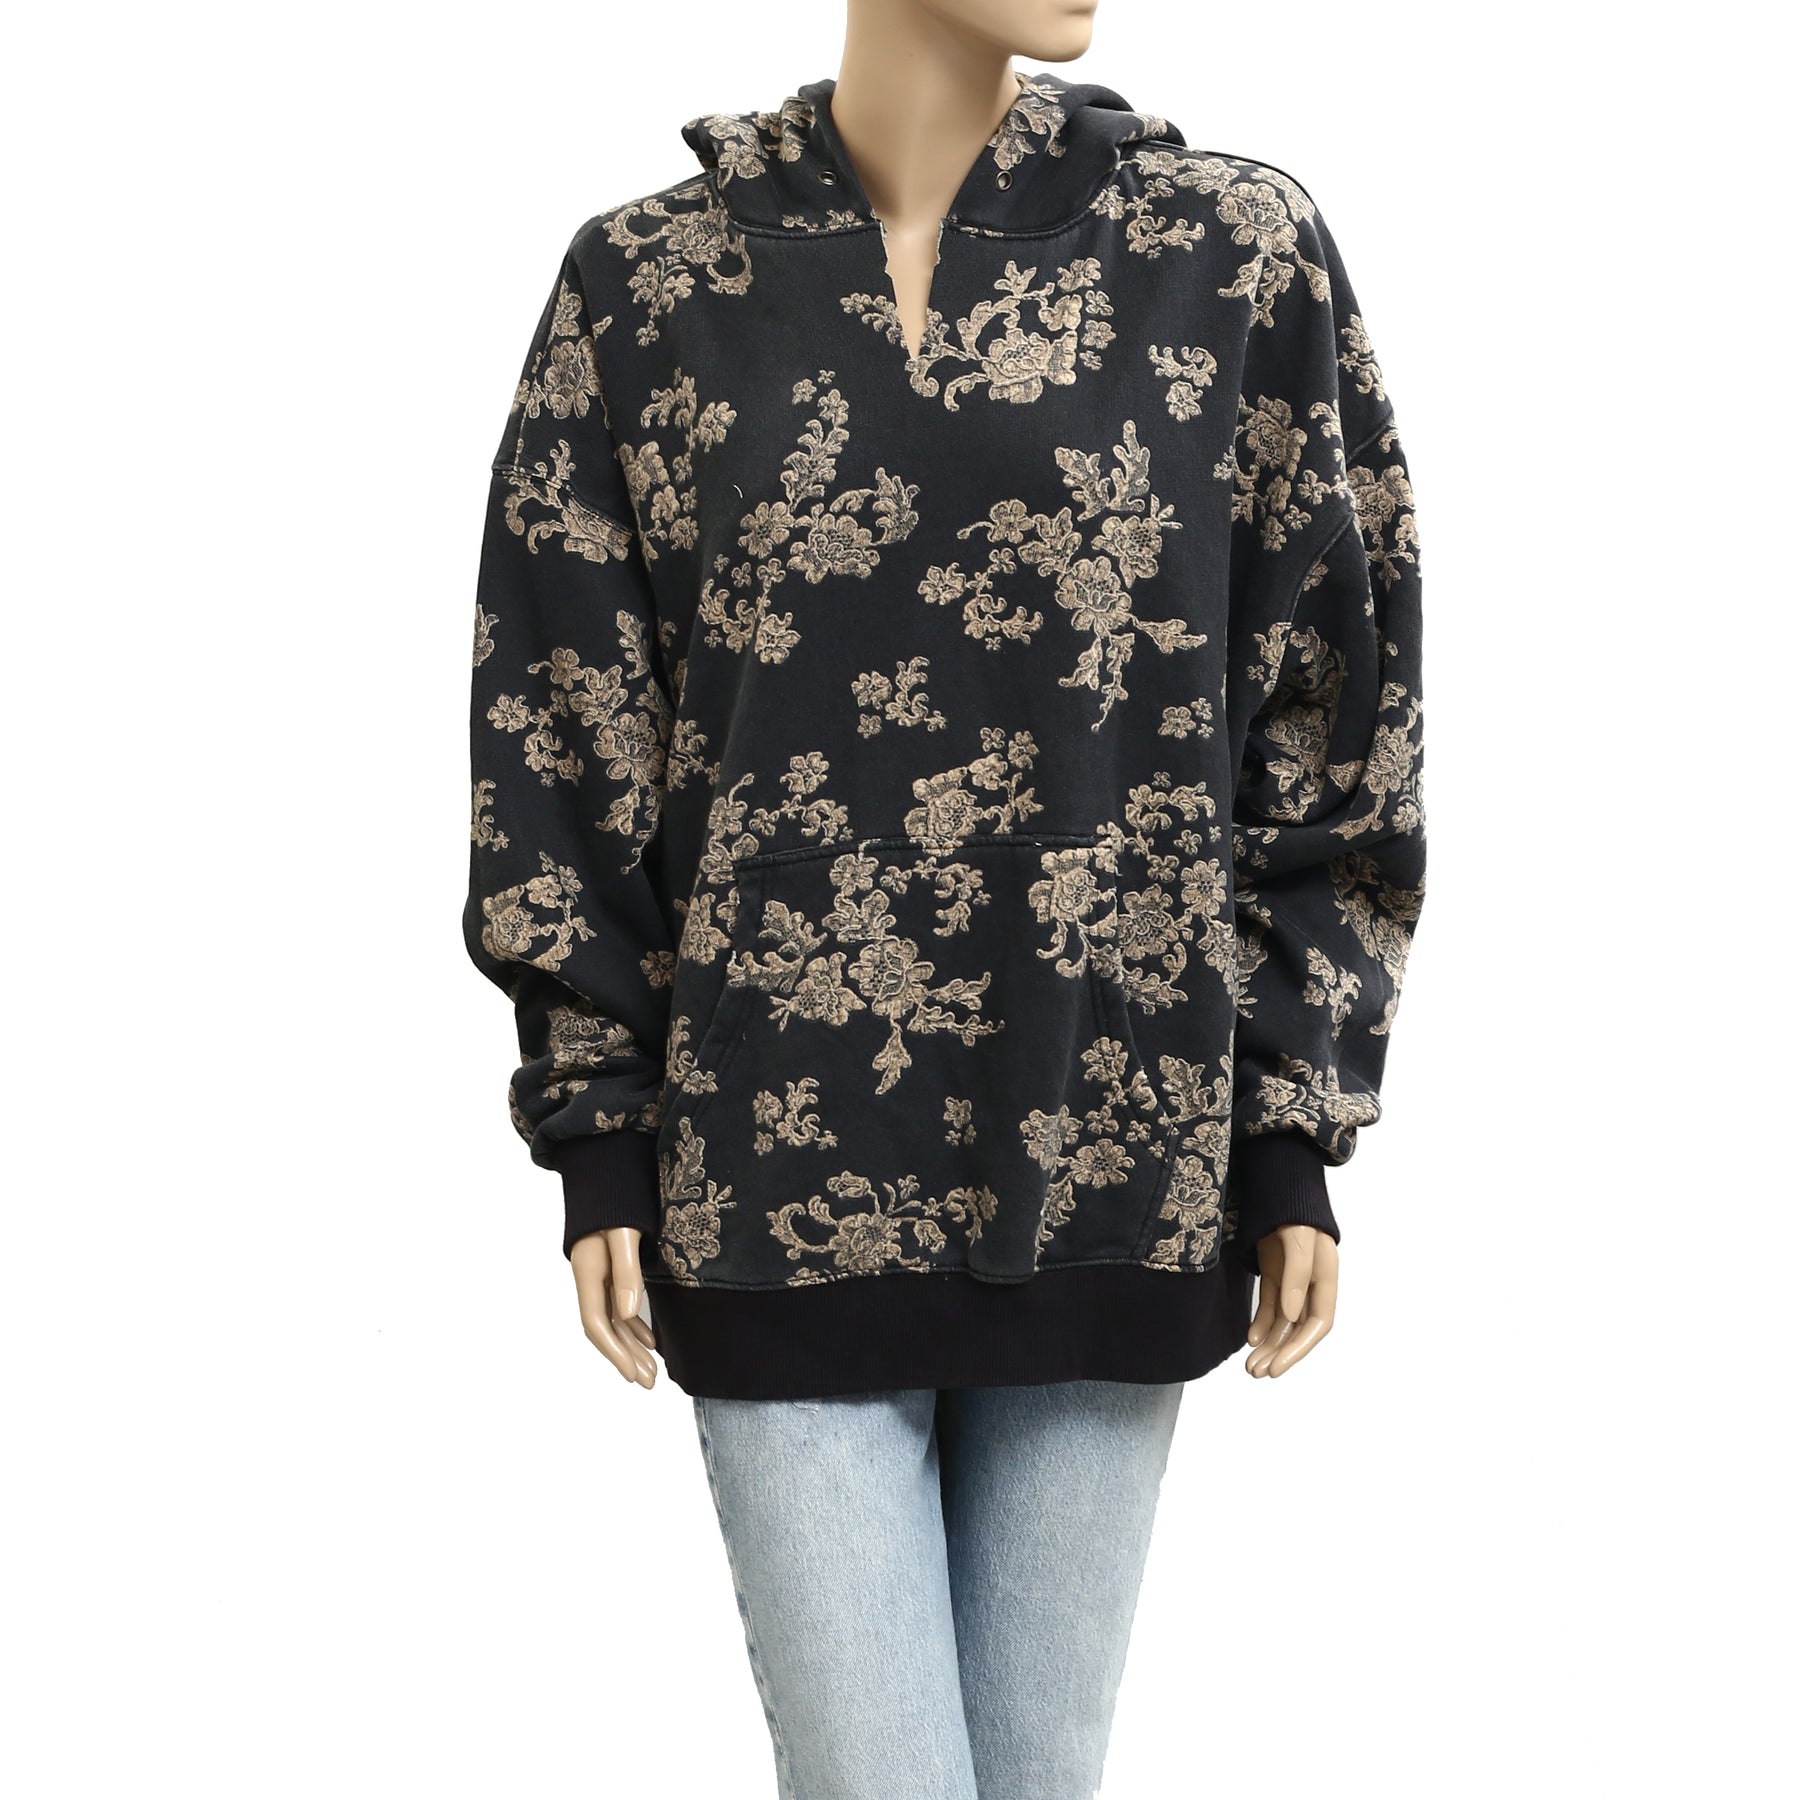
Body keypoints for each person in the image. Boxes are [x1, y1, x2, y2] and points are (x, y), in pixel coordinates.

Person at [463, 9, 1425, 1794]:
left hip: (1117, 1161)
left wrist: (1290, 1121)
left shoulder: (1231, 253)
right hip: (770, 1179)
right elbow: (566, 719)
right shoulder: (645, 287)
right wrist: (595, 1115)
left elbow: (1330, 713)